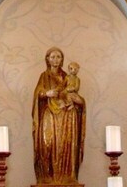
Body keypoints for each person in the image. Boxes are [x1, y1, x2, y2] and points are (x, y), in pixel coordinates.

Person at [32, 47, 85, 183]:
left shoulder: (68, 77)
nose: (55, 60)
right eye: (52, 57)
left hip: (66, 116)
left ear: (62, 60)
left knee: (65, 145)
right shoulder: (44, 76)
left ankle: (66, 177)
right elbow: (37, 94)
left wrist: (78, 103)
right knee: (47, 144)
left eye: (58, 57)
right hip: (49, 114)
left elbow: (73, 94)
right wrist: (46, 93)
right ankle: (47, 177)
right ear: (48, 59)